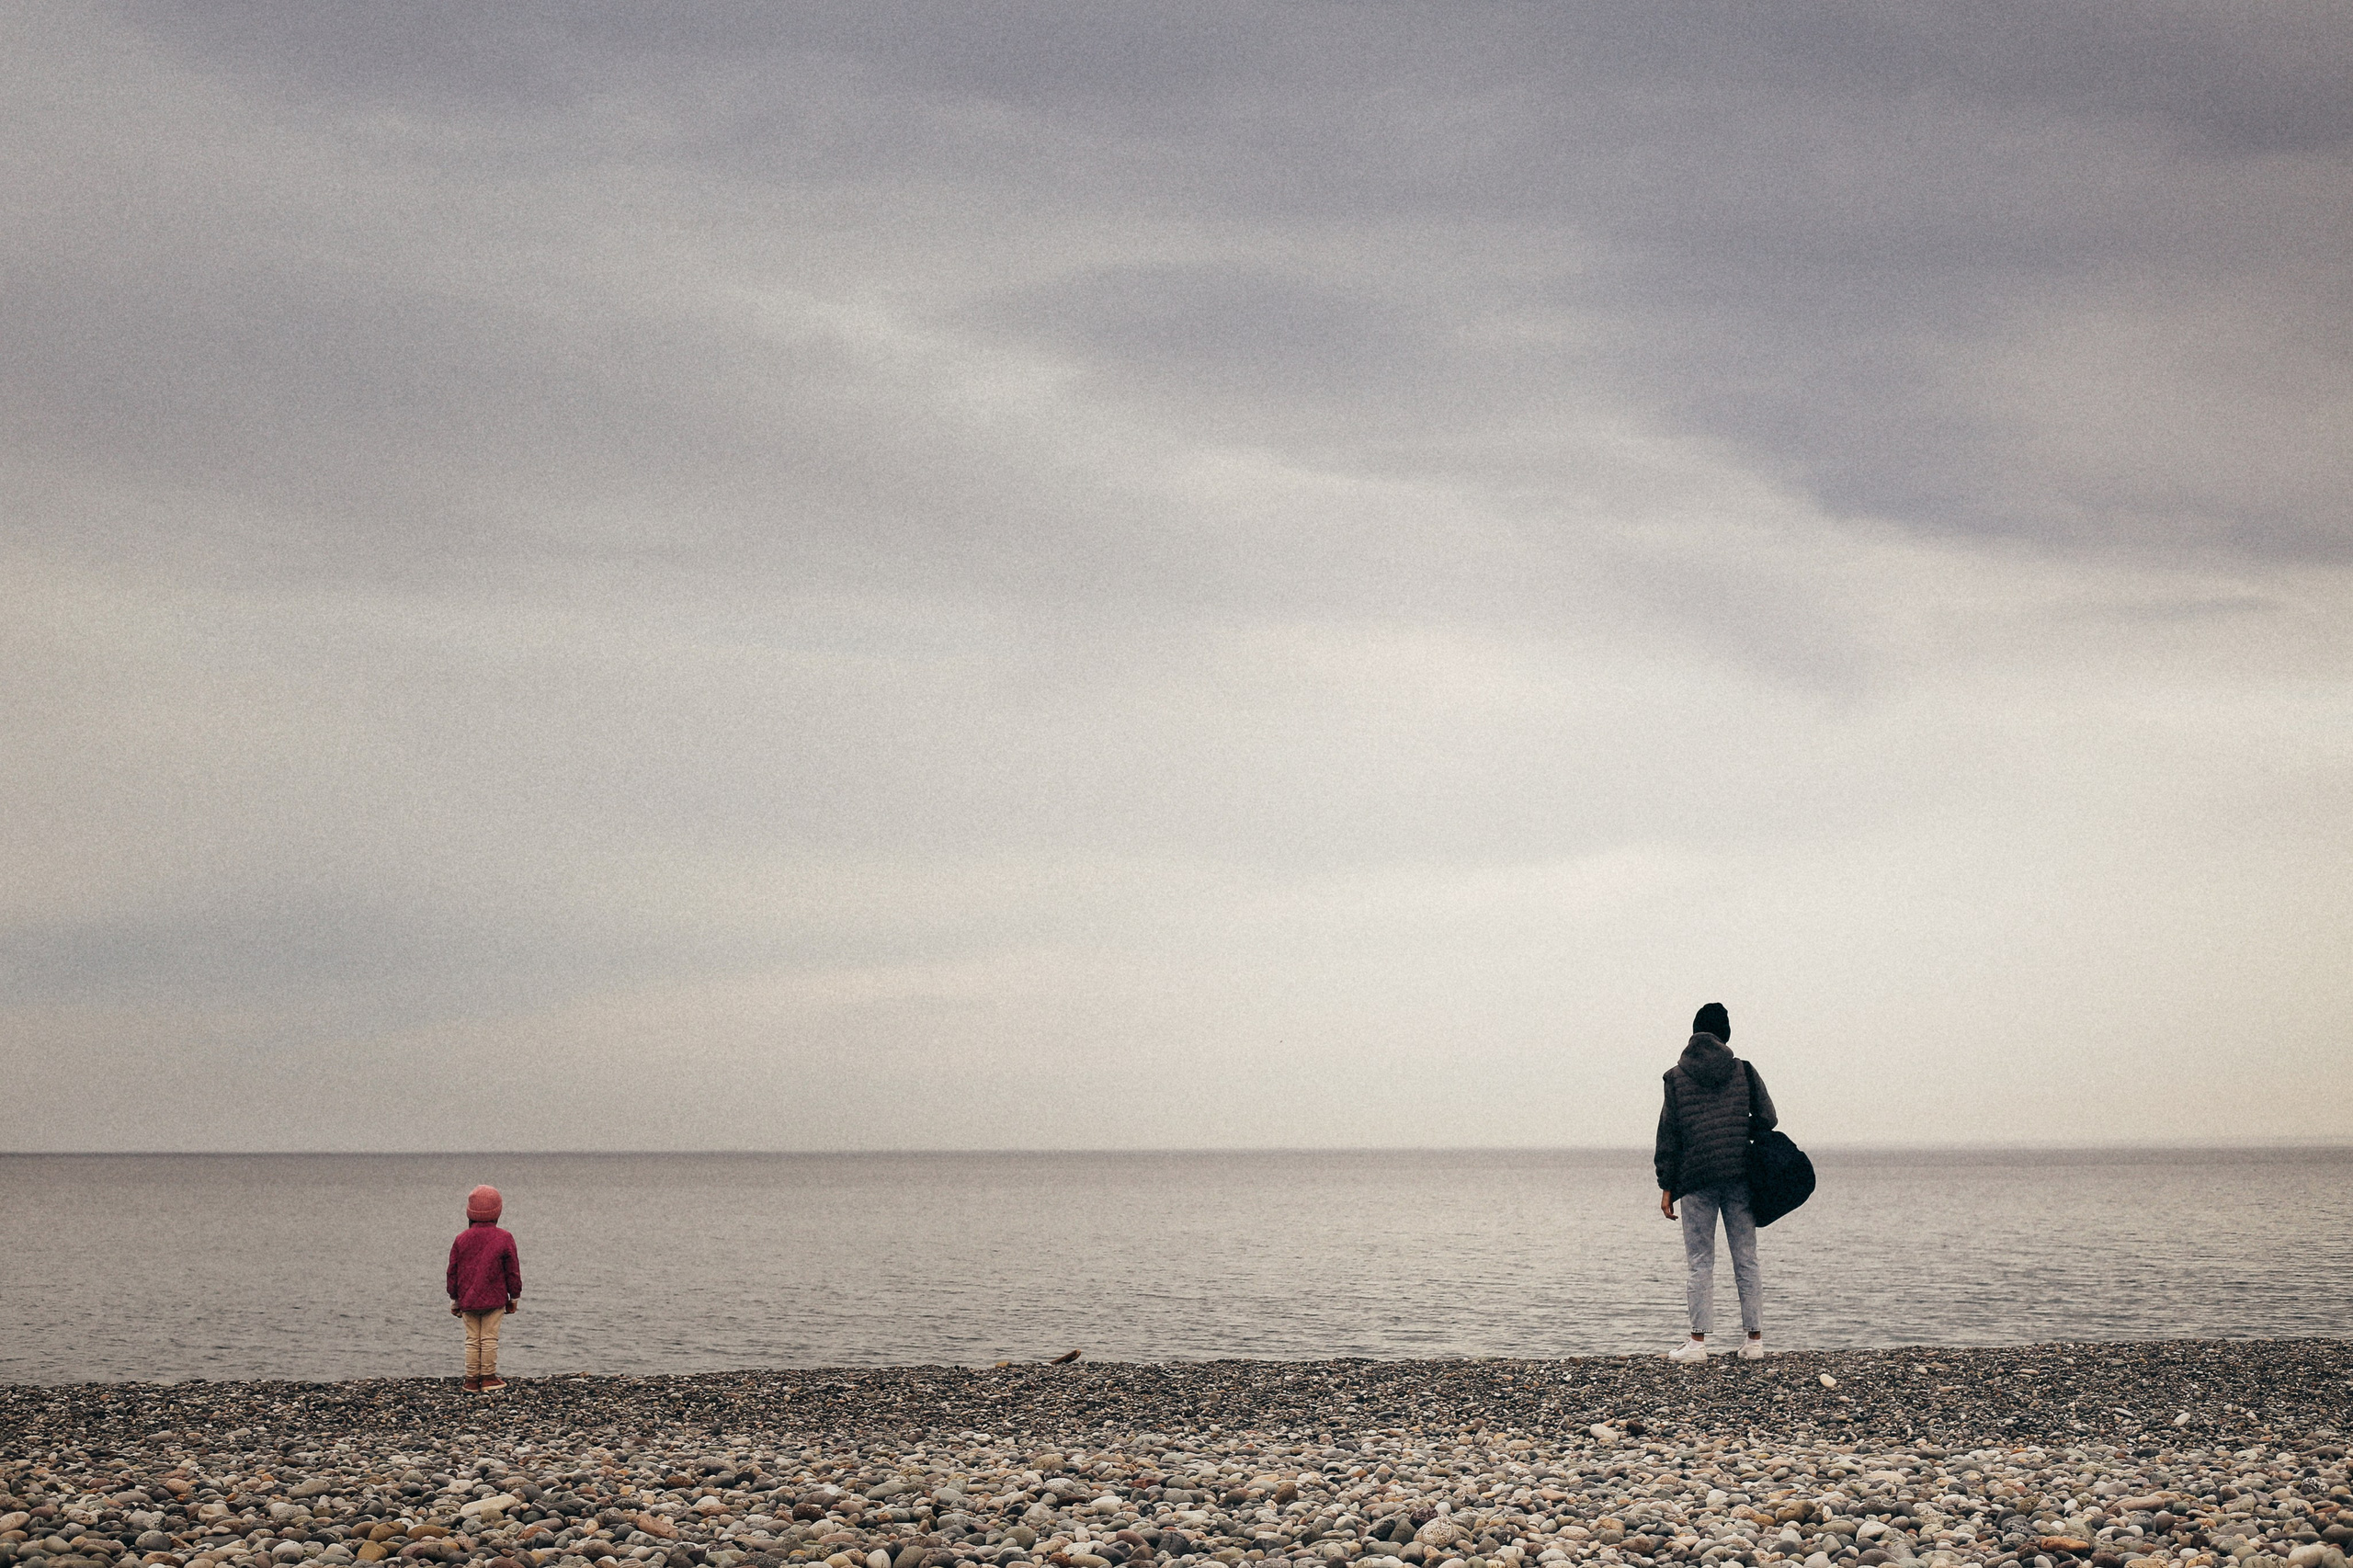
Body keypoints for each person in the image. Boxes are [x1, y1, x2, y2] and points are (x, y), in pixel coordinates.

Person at [1654, 1002, 1774, 1362]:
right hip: (1739, 1175)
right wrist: (1739, 1130)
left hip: (1695, 1178)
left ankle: (1697, 1345)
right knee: (1746, 1259)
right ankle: (1754, 1342)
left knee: (1700, 1261)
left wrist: (1666, 1186)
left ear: (1694, 1033)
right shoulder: (1745, 1071)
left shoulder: (1675, 1077)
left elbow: (1668, 1136)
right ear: (1726, 1034)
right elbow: (1768, 1118)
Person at [447, 1183, 521, 1392]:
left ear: (470, 1212)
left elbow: (452, 1271)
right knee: (489, 1338)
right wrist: (514, 1297)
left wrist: (455, 1299)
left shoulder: (461, 1239)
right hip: (495, 1298)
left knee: (472, 1339)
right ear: (497, 1212)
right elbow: (512, 1270)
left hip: (467, 1299)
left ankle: (471, 1380)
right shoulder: (504, 1238)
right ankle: (488, 1378)